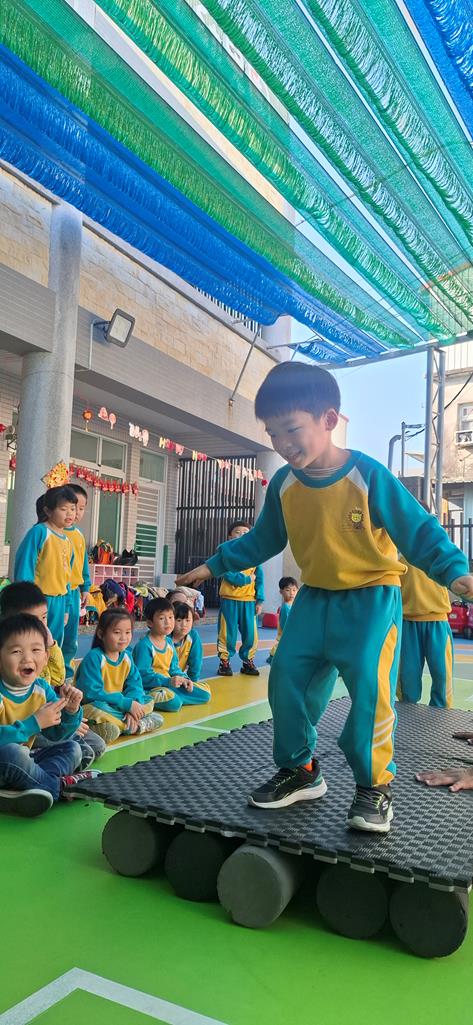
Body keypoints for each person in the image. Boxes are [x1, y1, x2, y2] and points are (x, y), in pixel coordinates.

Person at [177, 361, 473, 833]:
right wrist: (214, 565)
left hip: (371, 600)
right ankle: (301, 770)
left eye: (292, 429)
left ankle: (374, 786)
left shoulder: (368, 475)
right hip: (314, 600)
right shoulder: (284, 484)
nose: (282, 443)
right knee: (287, 681)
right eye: (273, 434)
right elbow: (263, 539)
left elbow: (418, 531)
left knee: (370, 692)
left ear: (329, 419)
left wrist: (456, 574)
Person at [0, 613, 98, 817]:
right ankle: (60, 788)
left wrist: (71, 711)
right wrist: (33, 723)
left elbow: (56, 735)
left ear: (45, 657)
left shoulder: (41, 689)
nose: (27, 658)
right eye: (16, 651)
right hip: (8, 759)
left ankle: (26, 788)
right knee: (12, 752)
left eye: (36, 650)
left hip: (20, 763)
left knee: (72, 748)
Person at [0, 581, 106, 769]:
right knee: (17, 753)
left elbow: (57, 679)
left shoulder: (42, 651)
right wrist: (38, 722)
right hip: (23, 728)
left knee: (93, 745)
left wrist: (70, 714)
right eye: (32, 620)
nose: (41, 626)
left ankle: (37, 766)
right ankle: (43, 770)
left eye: (44, 618)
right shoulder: (10, 661)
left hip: (42, 720)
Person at [75, 609, 163, 741]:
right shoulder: (94, 657)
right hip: (102, 705)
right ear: (101, 634)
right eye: (117, 632)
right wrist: (126, 704)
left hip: (119, 707)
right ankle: (136, 725)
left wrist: (133, 705)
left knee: (148, 700)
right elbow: (91, 694)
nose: (124, 637)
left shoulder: (127, 656)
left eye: (128, 632)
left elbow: (135, 684)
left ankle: (120, 725)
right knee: (95, 709)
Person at [14, 485, 77, 647]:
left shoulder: (67, 541)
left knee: (54, 644)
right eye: (63, 509)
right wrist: (27, 600)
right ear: (48, 511)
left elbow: (66, 578)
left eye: (72, 508)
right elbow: (25, 566)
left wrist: (66, 608)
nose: (70, 513)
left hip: (60, 601)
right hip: (40, 600)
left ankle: (52, 666)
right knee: (35, 641)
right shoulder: (39, 532)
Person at [398, 541, 454, 708]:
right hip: (408, 623)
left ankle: (442, 712)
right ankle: (407, 709)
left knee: (442, 674)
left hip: (437, 622)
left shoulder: (442, 553)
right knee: (408, 677)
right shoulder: (398, 554)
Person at [134, 598, 210, 710]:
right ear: (150, 623)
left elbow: (174, 668)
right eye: (162, 618)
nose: (168, 622)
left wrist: (185, 679)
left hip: (169, 685)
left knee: (205, 693)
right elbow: (143, 676)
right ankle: (147, 698)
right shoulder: (144, 645)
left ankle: (176, 697)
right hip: (151, 687)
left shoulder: (169, 643)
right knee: (174, 702)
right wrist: (167, 681)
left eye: (170, 617)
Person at [216, 520, 265, 678]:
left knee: (251, 633)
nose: (241, 535)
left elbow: (259, 579)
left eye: (245, 533)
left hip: (249, 601)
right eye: (238, 532)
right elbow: (227, 574)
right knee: (227, 632)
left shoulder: (255, 556)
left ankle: (248, 661)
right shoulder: (225, 553)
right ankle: (224, 662)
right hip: (229, 600)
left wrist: (260, 600)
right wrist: (246, 580)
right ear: (230, 537)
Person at [62, 484, 91, 679]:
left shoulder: (79, 535)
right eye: (73, 507)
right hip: (57, 593)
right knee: (53, 635)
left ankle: (66, 676)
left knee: (71, 638)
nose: (76, 513)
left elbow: (83, 564)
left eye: (81, 508)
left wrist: (85, 587)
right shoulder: (53, 532)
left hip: (73, 593)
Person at [171, 601, 205, 684]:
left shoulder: (193, 636)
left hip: (180, 680)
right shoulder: (165, 638)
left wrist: (192, 682)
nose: (184, 624)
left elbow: (196, 662)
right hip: (164, 680)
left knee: (205, 689)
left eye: (188, 620)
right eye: (179, 620)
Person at [267, 577, 298, 664]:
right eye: (288, 590)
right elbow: (285, 625)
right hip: (286, 636)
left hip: (292, 636)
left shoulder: (294, 606)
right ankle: (272, 657)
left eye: (294, 590)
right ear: (281, 592)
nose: (291, 593)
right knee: (283, 650)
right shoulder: (285, 608)